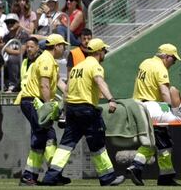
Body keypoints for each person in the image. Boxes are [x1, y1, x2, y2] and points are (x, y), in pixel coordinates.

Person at [42, 38, 125, 186]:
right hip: (87, 110)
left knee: (65, 145)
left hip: (72, 110)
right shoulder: (95, 66)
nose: (105, 52)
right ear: (99, 51)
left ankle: (51, 176)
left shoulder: (76, 68)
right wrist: (111, 99)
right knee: (98, 144)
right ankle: (108, 178)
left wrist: (64, 112)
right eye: (104, 50)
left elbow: (67, 91)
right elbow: (100, 82)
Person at [127, 43, 181, 186]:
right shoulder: (160, 68)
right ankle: (161, 176)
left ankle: (141, 168)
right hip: (152, 108)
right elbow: (165, 92)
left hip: (138, 107)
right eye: (173, 59)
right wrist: (171, 109)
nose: (174, 62)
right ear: (166, 56)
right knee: (164, 143)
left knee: (153, 143)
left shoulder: (145, 63)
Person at [19, 34, 70, 186]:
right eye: (63, 45)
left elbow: (58, 82)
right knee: (42, 137)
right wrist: (48, 106)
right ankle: (30, 175)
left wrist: (69, 92)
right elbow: (44, 85)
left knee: (48, 136)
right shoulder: (47, 60)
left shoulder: (49, 60)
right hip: (34, 101)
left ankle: (53, 173)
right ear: (56, 46)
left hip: (34, 102)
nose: (65, 48)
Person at [0, 13, 29, 92]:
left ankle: (13, 84)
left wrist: (6, 49)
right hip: (8, 60)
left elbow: (21, 52)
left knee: (13, 58)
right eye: (7, 22)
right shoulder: (6, 37)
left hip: (22, 61)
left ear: (18, 23)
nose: (9, 24)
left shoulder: (23, 35)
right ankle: (0, 85)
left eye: (12, 22)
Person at [14, 37, 41, 104]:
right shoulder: (24, 62)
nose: (29, 49)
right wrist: (12, 90)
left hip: (35, 96)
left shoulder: (40, 61)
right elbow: (21, 80)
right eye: (27, 47)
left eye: (31, 47)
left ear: (37, 47)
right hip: (24, 95)